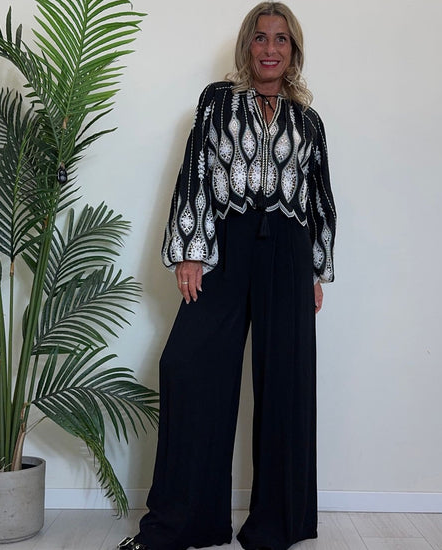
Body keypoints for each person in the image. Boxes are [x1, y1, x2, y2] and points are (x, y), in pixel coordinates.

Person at [119, 2, 336, 550]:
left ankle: (277, 525)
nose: (270, 48)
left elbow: (317, 197)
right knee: (188, 366)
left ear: (294, 50)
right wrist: (191, 251)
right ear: (247, 46)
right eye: (260, 37)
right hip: (226, 243)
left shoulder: (308, 121)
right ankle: (182, 523)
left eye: (281, 39)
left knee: (286, 384)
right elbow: (194, 173)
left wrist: (316, 268)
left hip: (289, 253)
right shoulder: (218, 101)